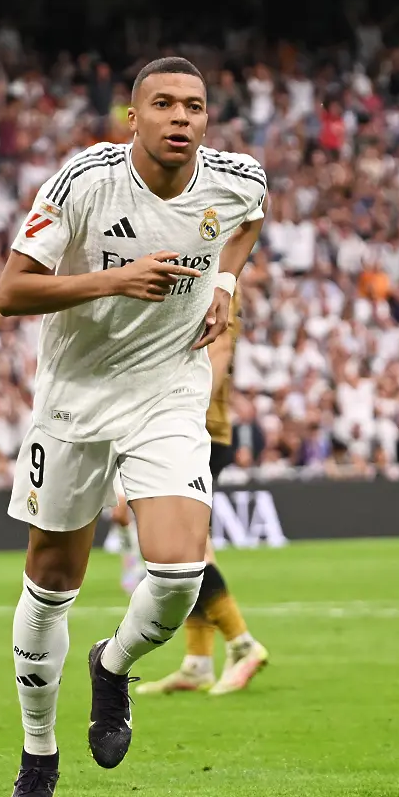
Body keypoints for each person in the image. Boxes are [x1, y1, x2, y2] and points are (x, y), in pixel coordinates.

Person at [0, 56, 267, 797]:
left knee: (180, 571)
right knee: (52, 582)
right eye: (165, 104)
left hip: (168, 394)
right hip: (75, 400)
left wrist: (225, 283)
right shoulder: (85, 182)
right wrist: (115, 279)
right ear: (134, 117)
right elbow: (11, 292)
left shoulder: (235, 179)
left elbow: (250, 217)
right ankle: (38, 762)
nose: (181, 117)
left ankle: (112, 665)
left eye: (195, 106)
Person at [135, 272, 270, 697]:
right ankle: (197, 662)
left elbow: (221, 347)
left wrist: (185, 417)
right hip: (186, 425)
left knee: (184, 549)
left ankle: (242, 644)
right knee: (189, 547)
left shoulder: (219, 277)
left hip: (197, 428)